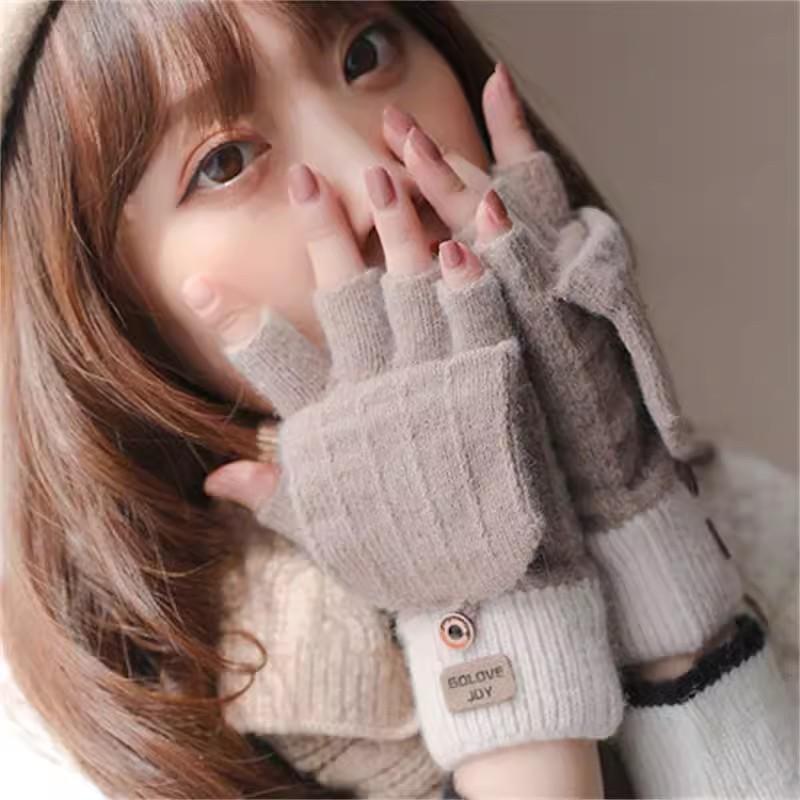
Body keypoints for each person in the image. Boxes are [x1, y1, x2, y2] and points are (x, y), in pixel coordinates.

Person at [0, 2, 796, 799]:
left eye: (367, 53)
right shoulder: (63, 755)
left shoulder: (751, 518)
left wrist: (637, 529)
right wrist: (484, 593)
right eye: (225, 162)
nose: (372, 180)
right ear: (101, 302)